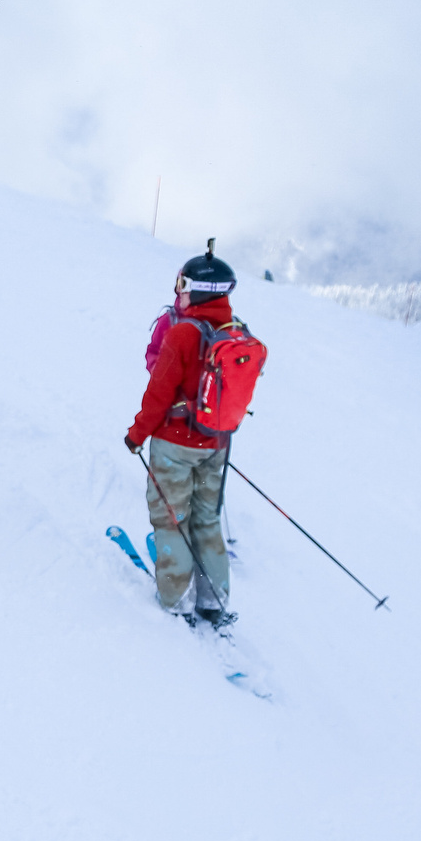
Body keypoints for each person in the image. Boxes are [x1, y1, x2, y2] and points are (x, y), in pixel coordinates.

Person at [125, 244, 247, 623]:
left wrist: (136, 435)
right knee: (207, 519)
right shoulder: (235, 332)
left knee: (172, 518)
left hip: (176, 443)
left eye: (182, 285)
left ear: (196, 289)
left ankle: (175, 599)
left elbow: (158, 394)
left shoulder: (181, 334)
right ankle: (213, 600)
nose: (177, 292)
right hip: (217, 441)